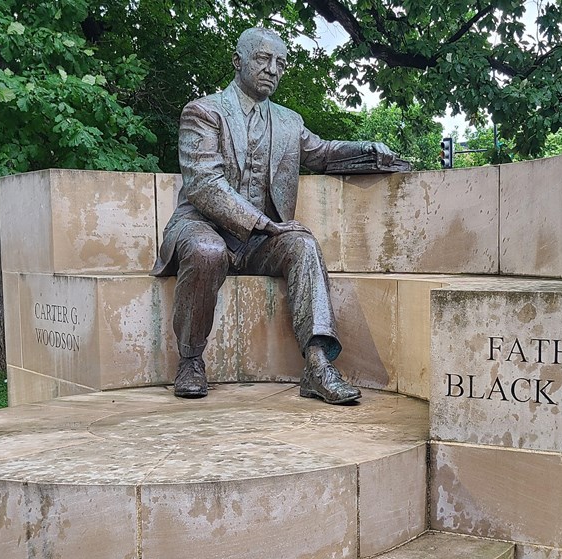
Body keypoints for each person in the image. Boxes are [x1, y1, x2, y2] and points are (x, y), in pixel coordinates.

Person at [151, 26, 396, 403]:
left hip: (257, 242)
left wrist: (368, 151)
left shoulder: (288, 122)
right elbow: (204, 185)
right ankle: (190, 360)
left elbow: (324, 154)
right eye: (263, 59)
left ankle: (317, 365)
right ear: (238, 62)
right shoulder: (203, 111)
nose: (273, 69)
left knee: (302, 245)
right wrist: (266, 223)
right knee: (207, 251)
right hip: (201, 227)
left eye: (280, 63)